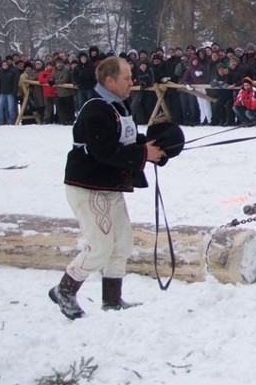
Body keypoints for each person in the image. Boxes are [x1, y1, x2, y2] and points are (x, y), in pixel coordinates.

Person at [49, 56, 166, 320]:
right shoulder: (96, 109)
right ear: (109, 80)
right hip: (88, 187)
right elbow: (105, 151)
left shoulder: (119, 107)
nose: (132, 82)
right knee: (100, 246)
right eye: (127, 77)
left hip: (109, 186)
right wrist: (141, 154)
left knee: (122, 243)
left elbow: (130, 141)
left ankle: (112, 300)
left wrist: (157, 148)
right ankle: (64, 290)